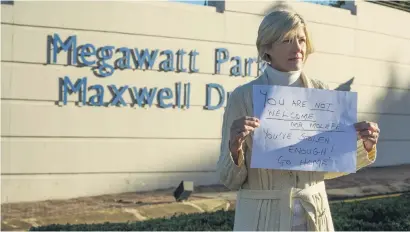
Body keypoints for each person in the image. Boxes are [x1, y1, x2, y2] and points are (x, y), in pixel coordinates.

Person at [216, 7, 380, 232]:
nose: (298, 48)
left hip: (315, 217)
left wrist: (363, 144)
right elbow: (229, 179)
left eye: (301, 39)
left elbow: (329, 167)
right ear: (267, 48)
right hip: (260, 220)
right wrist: (234, 148)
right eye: (287, 40)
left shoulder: (322, 91)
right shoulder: (242, 97)